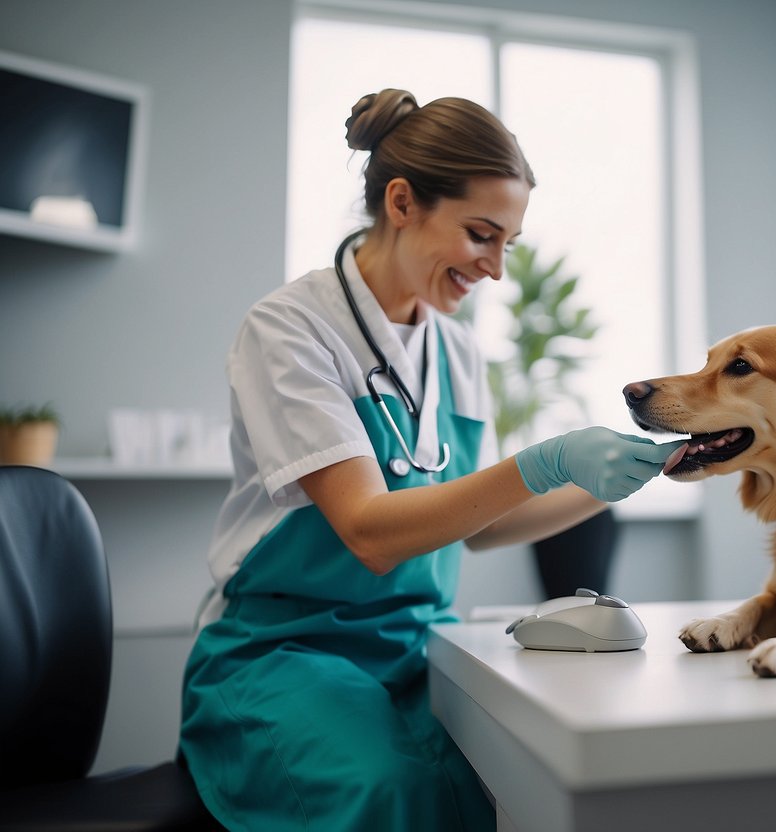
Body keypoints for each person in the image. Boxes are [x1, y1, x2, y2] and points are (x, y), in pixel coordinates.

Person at [179, 89, 678, 831]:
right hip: (284, 652)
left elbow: (476, 526)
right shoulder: (291, 329)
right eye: (482, 235)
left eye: (508, 244)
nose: (496, 269)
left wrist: (644, 467)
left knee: (507, 782)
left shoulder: (456, 351)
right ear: (403, 201)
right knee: (390, 794)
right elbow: (370, 531)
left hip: (418, 646)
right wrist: (546, 461)